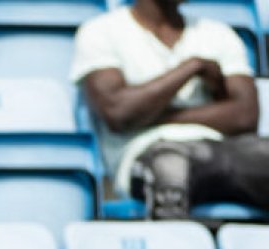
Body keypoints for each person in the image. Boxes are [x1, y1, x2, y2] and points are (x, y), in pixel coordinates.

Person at [73, 0, 268, 219]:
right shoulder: (100, 31)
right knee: (170, 165)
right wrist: (191, 67)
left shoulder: (218, 33)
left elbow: (246, 117)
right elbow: (118, 113)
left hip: (222, 149)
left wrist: (154, 115)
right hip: (148, 153)